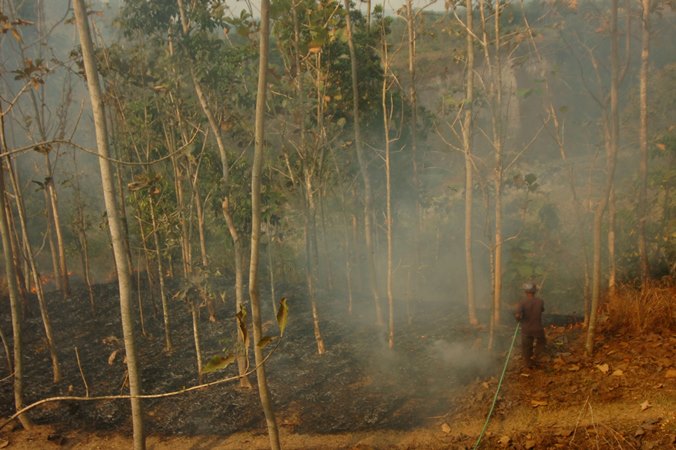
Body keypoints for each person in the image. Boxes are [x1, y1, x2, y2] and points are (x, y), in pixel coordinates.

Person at [514, 282, 546, 369]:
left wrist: (519, 320)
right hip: (538, 328)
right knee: (542, 342)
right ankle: (536, 357)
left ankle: (528, 364)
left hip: (526, 329)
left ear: (525, 292)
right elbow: (542, 310)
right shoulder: (540, 301)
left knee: (526, 347)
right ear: (535, 291)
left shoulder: (521, 303)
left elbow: (517, 315)